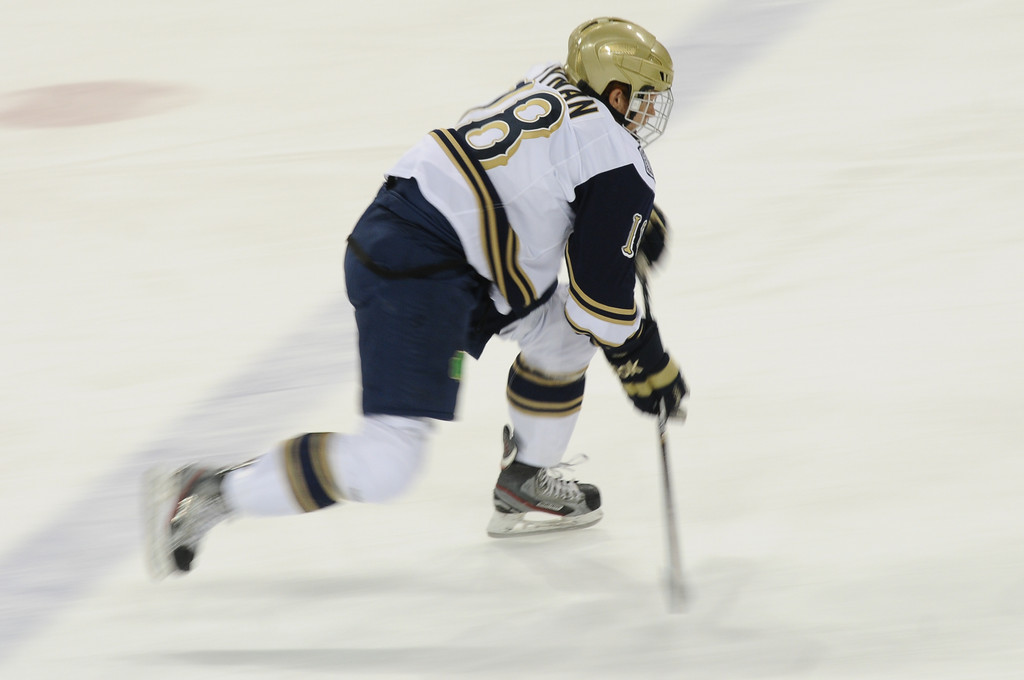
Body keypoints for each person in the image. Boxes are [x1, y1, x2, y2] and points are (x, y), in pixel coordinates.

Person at [144, 16, 687, 578]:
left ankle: (525, 481)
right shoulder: (619, 159)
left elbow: (538, 180)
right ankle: (209, 493)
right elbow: (599, 303)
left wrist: (613, 225)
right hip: (426, 267)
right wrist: (646, 360)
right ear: (616, 92)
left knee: (562, 341)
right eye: (644, 100)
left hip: (424, 233)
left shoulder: (546, 82)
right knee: (387, 462)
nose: (647, 114)